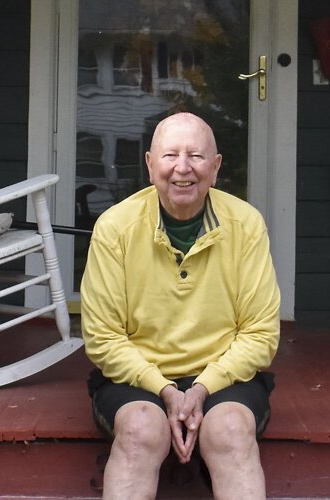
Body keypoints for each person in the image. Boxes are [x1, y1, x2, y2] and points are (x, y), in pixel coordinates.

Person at [81, 112, 280, 500]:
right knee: (140, 428)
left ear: (216, 167)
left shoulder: (246, 224)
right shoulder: (115, 227)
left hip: (225, 377)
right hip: (138, 378)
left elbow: (260, 333)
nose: (182, 168)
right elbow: (103, 338)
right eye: (170, 155)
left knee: (230, 430)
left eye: (196, 156)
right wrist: (166, 390)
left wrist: (204, 386)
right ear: (150, 164)